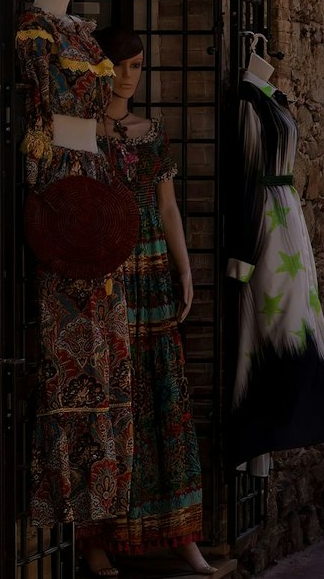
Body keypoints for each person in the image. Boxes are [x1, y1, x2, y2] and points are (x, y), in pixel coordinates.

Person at [88, 28, 211, 578]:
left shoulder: (151, 135)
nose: (128, 76)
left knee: (163, 400)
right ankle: (98, 539)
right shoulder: (79, 132)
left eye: (136, 65)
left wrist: (185, 270)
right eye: (119, 65)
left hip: (152, 273)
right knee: (110, 402)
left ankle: (181, 534)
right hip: (106, 276)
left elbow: (168, 209)